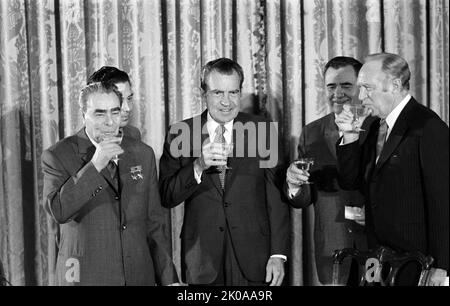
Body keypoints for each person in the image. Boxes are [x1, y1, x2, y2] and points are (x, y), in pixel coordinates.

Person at [159, 58, 290, 286]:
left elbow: (277, 199)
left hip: (255, 260)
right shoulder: (180, 132)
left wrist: (277, 254)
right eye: (218, 92)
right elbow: (167, 195)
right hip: (202, 259)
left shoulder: (263, 131)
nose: (226, 102)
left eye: (233, 92)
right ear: (203, 93)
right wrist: (197, 166)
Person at [42, 82, 178, 285]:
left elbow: (154, 224)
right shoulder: (57, 155)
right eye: (99, 114)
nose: (109, 122)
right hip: (86, 277)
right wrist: (95, 165)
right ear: (83, 114)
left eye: (115, 112)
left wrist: (169, 279)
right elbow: (59, 211)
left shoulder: (142, 153)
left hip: (138, 277)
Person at [335, 53, 449, 286]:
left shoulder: (428, 126)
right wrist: (349, 136)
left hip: (417, 263)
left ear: (395, 85)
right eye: (360, 88)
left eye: (368, 88)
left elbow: (443, 202)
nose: (361, 96)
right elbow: (350, 182)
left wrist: (442, 266)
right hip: (377, 260)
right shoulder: (373, 126)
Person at [285, 56, 370, 285]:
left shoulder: (379, 126)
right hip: (331, 247)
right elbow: (305, 199)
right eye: (331, 86)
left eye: (346, 85)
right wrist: (294, 185)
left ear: (361, 86)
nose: (338, 92)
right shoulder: (311, 132)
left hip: (376, 246)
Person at [88, 66, 141, 140]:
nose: (128, 108)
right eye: (120, 100)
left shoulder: (133, 134)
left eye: (129, 98)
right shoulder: (72, 147)